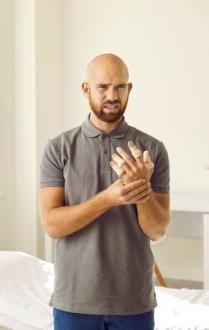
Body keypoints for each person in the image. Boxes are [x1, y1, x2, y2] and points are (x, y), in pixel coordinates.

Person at [39, 53, 171, 330]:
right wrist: (109, 198)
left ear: (129, 89)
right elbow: (52, 225)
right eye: (102, 87)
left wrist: (142, 190)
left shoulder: (152, 149)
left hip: (134, 301)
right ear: (86, 89)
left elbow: (157, 231)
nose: (112, 95)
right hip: (74, 299)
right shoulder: (58, 148)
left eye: (120, 87)